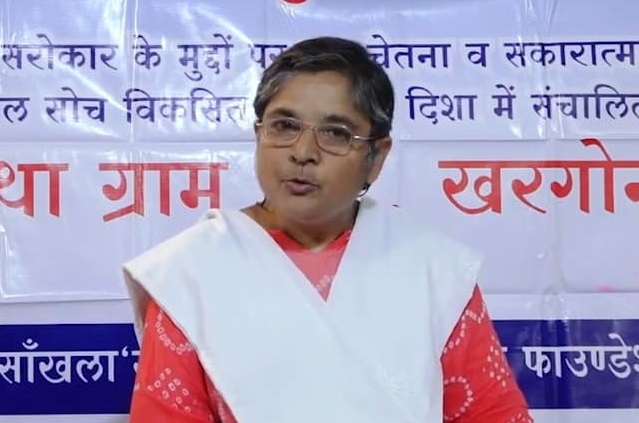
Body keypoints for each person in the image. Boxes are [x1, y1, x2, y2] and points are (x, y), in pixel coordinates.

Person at [122, 36, 533, 423]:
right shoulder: (191, 272)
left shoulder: (431, 268)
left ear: (376, 157)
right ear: (259, 135)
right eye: (284, 126)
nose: (303, 153)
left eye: (336, 133)